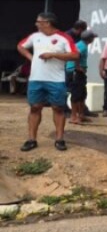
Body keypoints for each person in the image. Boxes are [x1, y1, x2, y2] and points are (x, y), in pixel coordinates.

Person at [18, 12, 79, 151]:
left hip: (55, 80)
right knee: (35, 107)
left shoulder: (64, 38)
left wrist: (53, 54)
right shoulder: (34, 36)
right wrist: (30, 57)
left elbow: (75, 55)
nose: (36, 24)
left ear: (47, 22)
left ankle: (59, 139)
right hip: (36, 79)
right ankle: (31, 139)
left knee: (58, 108)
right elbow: (20, 46)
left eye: (38, 21)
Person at [66, 29, 96, 125]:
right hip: (75, 72)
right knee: (76, 95)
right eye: (93, 37)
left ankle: (81, 115)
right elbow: (76, 55)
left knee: (82, 94)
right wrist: (78, 67)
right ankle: (73, 116)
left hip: (78, 72)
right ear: (90, 39)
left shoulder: (82, 44)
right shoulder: (82, 46)